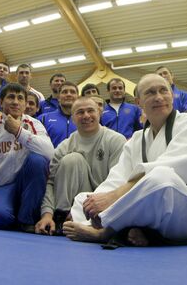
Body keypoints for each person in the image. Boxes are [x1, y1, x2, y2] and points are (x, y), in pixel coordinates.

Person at [63, 74, 187, 246]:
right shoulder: (137, 139)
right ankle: (138, 231)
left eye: (163, 91)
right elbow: (117, 178)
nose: (159, 97)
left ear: (172, 96)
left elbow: (176, 170)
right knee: (82, 199)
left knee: (162, 177)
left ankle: (106, 230)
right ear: (138, 102)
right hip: (152, 212)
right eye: (150, 93)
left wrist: (114, 197)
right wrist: (97, 200)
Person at [35, 97, 126, 235]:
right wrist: (47, 214)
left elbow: (119, 183)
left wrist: (87, 210)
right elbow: (51, 183)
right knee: (72, 159)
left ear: (99, 113)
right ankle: (62, 218)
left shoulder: (116, 140)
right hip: (71, 208)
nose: (86, 116)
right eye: (80, 112)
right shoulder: (64, 146)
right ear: (73, 119)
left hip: (104, 206)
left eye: (91, 111)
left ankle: (85, 221)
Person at [0, 83, 53, 230]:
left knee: (38, 160)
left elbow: (49, 152)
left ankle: (26, 221)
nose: (15, 102)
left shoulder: (34, 124)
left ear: (25, 104)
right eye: (11, 97)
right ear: (1, 102)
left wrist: (18, 131)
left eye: (20, 98)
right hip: (1, 187)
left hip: (26, 185)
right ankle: (10, 211)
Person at [39, 81, 78, 147]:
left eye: (72, 92)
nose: (69, 94)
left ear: (77, 97)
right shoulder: (43, 119)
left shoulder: (85, 119)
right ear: (58, 98)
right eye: (64, 92)